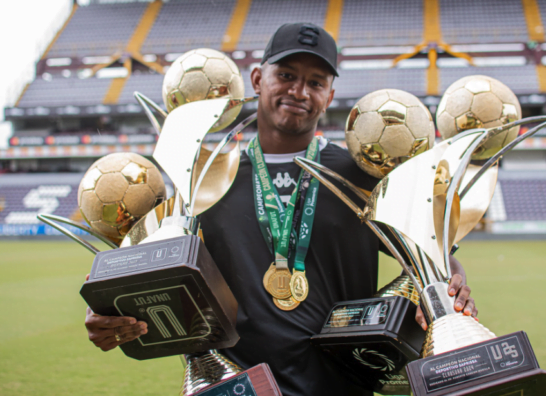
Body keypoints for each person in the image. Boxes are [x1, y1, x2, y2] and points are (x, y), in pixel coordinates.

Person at [84, 23, 477, 396]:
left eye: (315, 82)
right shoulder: (204, 179)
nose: (300, 91)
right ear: (257, 79)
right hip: (237, 385)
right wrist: (111, 313)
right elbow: (147, 280)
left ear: (330, 94)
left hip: (344, 386)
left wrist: (451, 289)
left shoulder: (361, 176)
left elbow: (431, 258)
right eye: (286, 75)